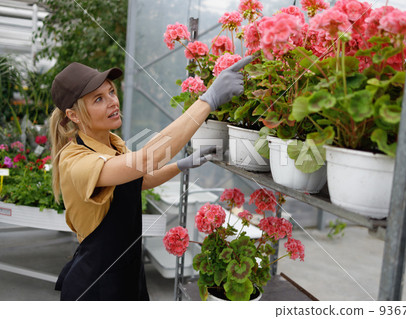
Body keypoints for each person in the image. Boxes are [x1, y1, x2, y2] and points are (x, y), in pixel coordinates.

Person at [49, 57, 253, 301]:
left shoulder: (113, 143)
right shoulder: (75, 160)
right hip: (97, 283)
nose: (113, 102)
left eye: (111, 92)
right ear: (74, 115)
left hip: (128, 271)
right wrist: (207, 101)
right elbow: (146, 160)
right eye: (98, 99)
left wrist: (181, 164)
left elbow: (140, 179)